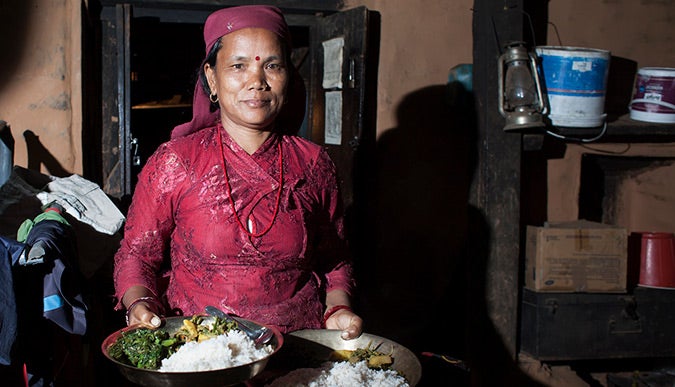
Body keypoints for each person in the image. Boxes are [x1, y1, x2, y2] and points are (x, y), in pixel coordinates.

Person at [113, 5, 363, 340]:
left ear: (288, 76)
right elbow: (136, 255)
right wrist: (140, 304)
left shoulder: (314, 164)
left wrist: (339, 309)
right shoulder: (176, 161)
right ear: (212, 78)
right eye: (238, 66)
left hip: (297, 348)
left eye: (272, 66)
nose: (256, 81)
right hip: (200, 351)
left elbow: (335, 263)